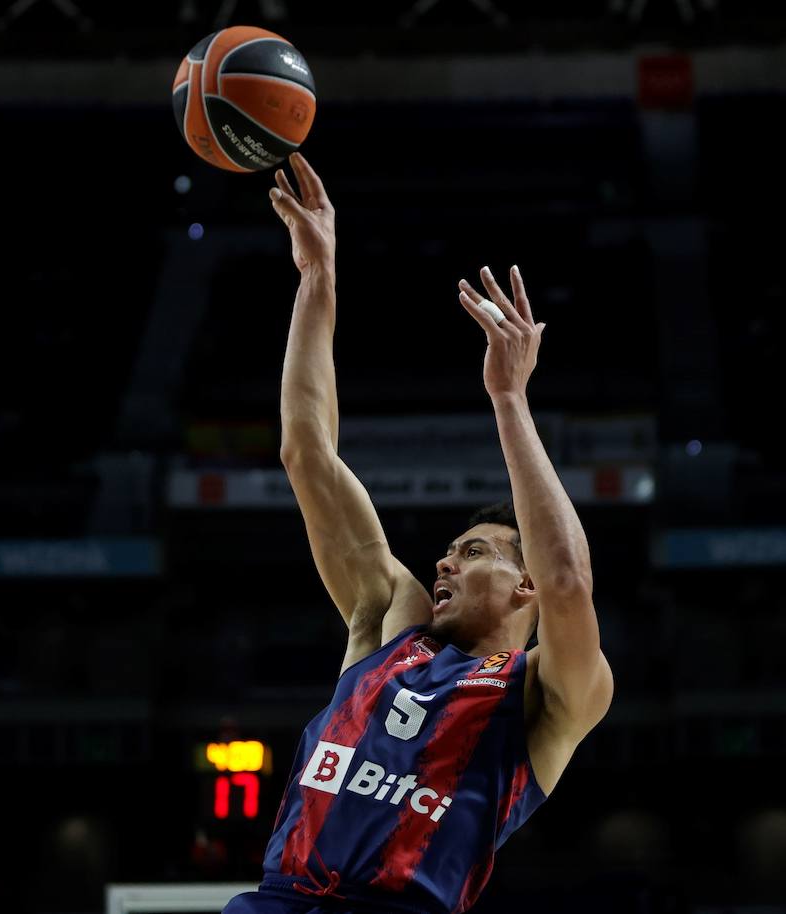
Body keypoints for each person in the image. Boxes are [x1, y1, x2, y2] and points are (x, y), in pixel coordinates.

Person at [225, 153, 614, 914]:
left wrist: (508, 398)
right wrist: (317, 278)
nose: (441, 560)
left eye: (472, 553)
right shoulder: (389, 621)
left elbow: (569, 581)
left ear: (522, 582)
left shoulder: (548, 695)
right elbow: (307, 450)